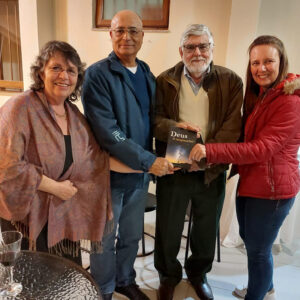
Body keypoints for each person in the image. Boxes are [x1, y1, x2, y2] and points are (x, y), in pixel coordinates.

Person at [0, 40, 138, 266]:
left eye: (71, 71)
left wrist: (145, 165)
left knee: (63, 274)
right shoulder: (19, 107)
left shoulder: (74, 115)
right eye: (56, 68)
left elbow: (97, 160)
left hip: (62, 214)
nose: (64, 76)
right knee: (33, 279)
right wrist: (55, 188)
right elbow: (7, 165)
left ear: (77, 79)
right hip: (26, 215)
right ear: (41, 72)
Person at [190, 35, 300, 300]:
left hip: (273, 190)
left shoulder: (290, 102)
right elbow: (244, 136)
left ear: (281, 61)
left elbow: (262, 148)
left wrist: (210, 150)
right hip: (253, 183)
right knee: (254, 244)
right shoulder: (262, 96)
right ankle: (266, 288)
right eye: (255, 63)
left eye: (268, 61)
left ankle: (258, 295)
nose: (261, 68)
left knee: (259, 250)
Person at [81, 10, 173, 300]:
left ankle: (124, 279)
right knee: (104, 239)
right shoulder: (97, 75)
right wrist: (149, 161)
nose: (126, 37)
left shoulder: (146, 73)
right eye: (119, 30)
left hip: (139, 177)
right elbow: (109, 132)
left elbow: (153, 120)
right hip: (109, 176)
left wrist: (175, 131)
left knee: (132, 235)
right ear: (110, 34)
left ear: (143, 36)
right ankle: (104, 288)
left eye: (133, 31)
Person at [154, 24, 243, 300]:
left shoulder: (231, 81)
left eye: (203, 46)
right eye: (190, 47)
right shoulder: (164, 80)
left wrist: (205, 156)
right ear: (181, 51)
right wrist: (175, 127)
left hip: (212, 169)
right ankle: (169, 275)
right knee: (168, 228)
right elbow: (155, 121)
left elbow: (232, 128)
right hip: (174, 168)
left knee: (206, 229)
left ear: (212, 49)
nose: (197, 52)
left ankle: (198, 274)